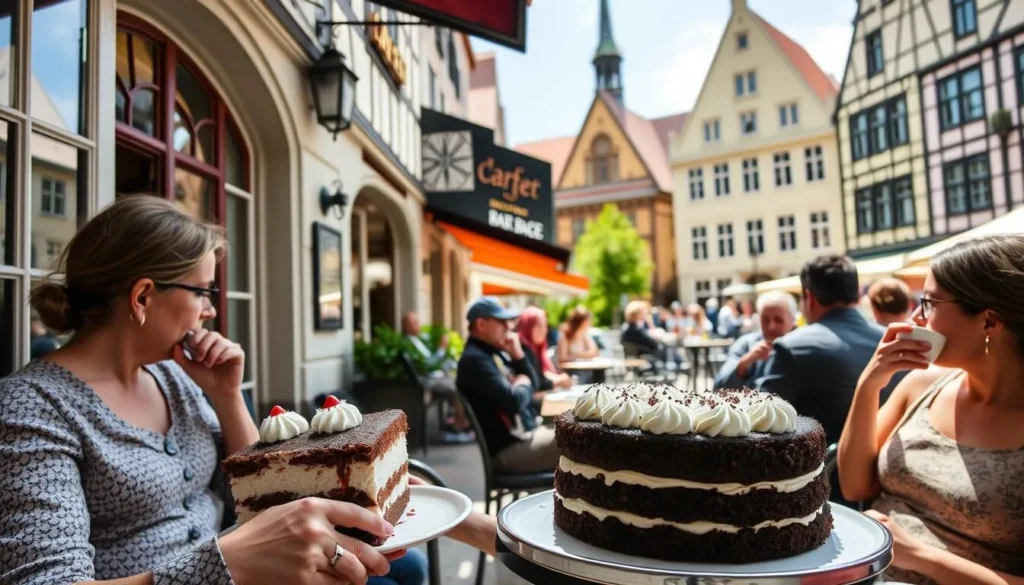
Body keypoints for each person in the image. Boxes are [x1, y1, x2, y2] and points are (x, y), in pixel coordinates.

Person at [0, 196, 403, 585]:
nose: (210, 311)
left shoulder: (172, 376)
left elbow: (255, 496)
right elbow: (44, 579)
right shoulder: (31, 407)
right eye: (204, 292)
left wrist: (226, 394)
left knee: (405, 565)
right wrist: (225, 565)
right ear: (142, 297)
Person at [838, 235, 1024, 585]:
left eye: (928, 303)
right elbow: (854, 486)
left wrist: (920, 556)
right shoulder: (924, 385)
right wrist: (870, 383)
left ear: (990, 322)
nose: (916, 317)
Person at [757, 255, 887, 446]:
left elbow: (763, 420)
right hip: (885, 466)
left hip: (823, 470)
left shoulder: (791, 348)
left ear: (809, 298)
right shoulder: (890, 340)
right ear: (858, 294)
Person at [456, 297, 559, 474]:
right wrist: (521, 383)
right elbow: (513, 402)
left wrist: (518, 356)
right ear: (481, 324)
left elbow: (531, 385)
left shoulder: (491, 352)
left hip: (524, 436)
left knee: (578, 431)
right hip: (508, 451)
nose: (509, 327)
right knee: (581, 439)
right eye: (501, 322)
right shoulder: (475, 360)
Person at [400, 311, 471, 441]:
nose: (418, 325)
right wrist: (441, 349)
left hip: (436, 376)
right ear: (406, 326)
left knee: (462, 381)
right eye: (414, 323)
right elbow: (426, 366)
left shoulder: (418, 340)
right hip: (428, 380)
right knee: (456, 387)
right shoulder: (408, 344)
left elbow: (432, 362)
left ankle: (461, 421)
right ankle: (460, 424)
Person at [714, 291, 797, 389]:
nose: (771, 326)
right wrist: (745, 363)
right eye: (765, 320)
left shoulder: (801, 347)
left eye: (778, 320)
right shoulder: (746, 344)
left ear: (792, 320)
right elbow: (719, 386)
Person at [516, 306, 573, 392]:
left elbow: (542, 373)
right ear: (527, 326)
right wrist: (558, 381)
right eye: (538, 325)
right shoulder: (521, 350)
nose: (543, 330)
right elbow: (535, 383)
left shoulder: (537, 349)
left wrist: (559, 378)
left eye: (545, 326)